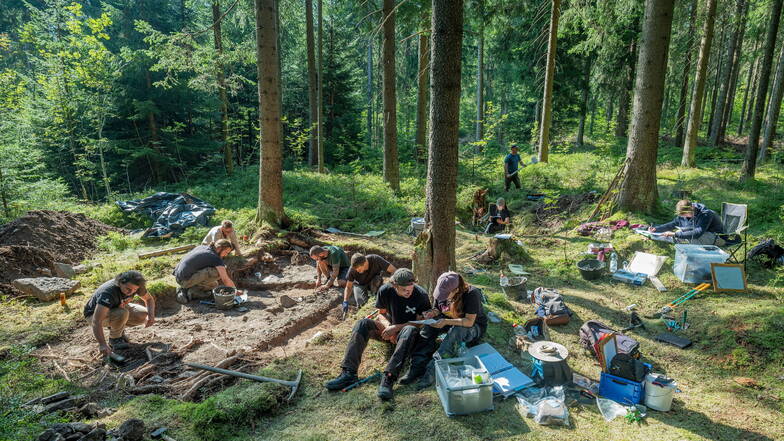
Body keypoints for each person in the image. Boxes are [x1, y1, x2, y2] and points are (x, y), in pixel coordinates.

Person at [324, 268, 431, 401]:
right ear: (394, 285)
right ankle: (349, 373)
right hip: (389, 330)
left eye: (411, 288)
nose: (408, 292)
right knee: (362, 323)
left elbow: (421, 323)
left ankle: (389, 378)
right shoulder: (385, 290)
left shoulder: (421, 295)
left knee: (409, 329)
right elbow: (381, 314)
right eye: (404, 289)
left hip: (409, 334)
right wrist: (388, 329)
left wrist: (396, 328)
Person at [410, 271, 488, 389]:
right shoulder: (442, 290)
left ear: (456, 290)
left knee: (456, 331)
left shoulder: (472, 294)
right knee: (428, 328)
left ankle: (432, 370)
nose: (441, 297)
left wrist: (446, 322)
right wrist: (432, 313)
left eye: (445, 295)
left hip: (472, 327)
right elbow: (439, 308)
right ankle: (417, 365)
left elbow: (469, 321)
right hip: (450, 320)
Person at [83, 271, 155, 357]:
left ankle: (118, 330)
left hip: (117, 307)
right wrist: (102, 344)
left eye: (135, 290)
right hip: (93, 315)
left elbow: (149, 299)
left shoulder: (136, 284)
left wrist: (151, 316)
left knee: (143, 315)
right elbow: (96, 321)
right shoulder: (108, 292)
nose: (131, 292)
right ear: (120, 282)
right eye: (128, 289)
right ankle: (115, 339)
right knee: (121, 313)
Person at [174, 239, 242, 304]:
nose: (226, 255)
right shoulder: (215, 258)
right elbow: (225, 279)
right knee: (218, 272)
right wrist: (235, 291)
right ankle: (186, 290)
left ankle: (191, 290)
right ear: (219, 248)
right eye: (226, 252)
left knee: (214, 285)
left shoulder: (203, 247)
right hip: (184, 280)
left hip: (178, 277)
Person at [649, 200, 725, 245]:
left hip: (717, 238)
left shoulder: (706, 214)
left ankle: (694, 260)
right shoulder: (686, 213)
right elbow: (673, 224)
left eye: (686, 214)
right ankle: (654, 236)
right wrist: (656, 229)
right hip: (702, 236)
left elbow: (697, 233)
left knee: (687, 236)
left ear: (692, 207)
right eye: (683, 215)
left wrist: (675, 234)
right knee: (682, 233)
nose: (685, 216)